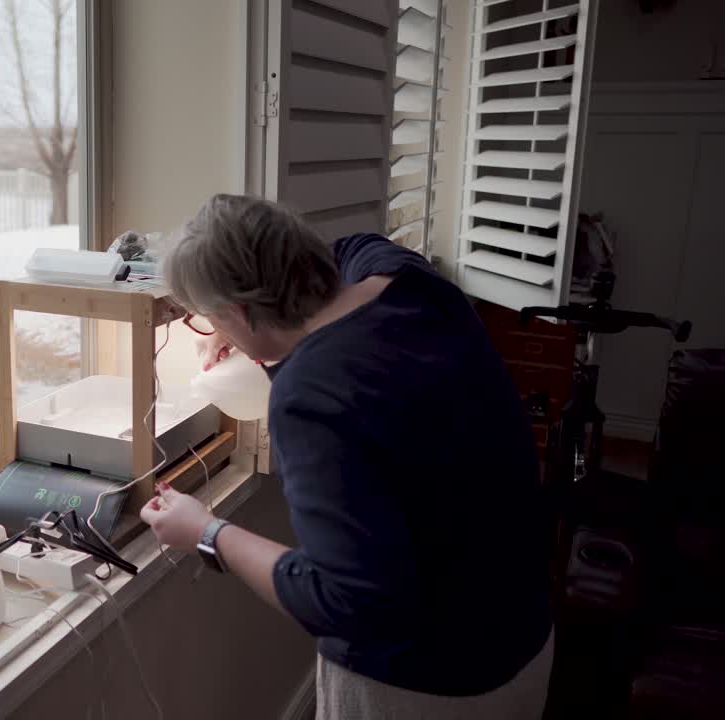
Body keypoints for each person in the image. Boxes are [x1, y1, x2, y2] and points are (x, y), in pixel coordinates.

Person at [142, 194, 554, 719]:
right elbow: (332, 252)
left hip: (430, 685)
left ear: (239, 312)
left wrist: (207, 533)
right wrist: (242, 321)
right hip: (523, 630)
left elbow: (349, 601)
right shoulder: (406, 277)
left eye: (207, 320)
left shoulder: (309, 396)